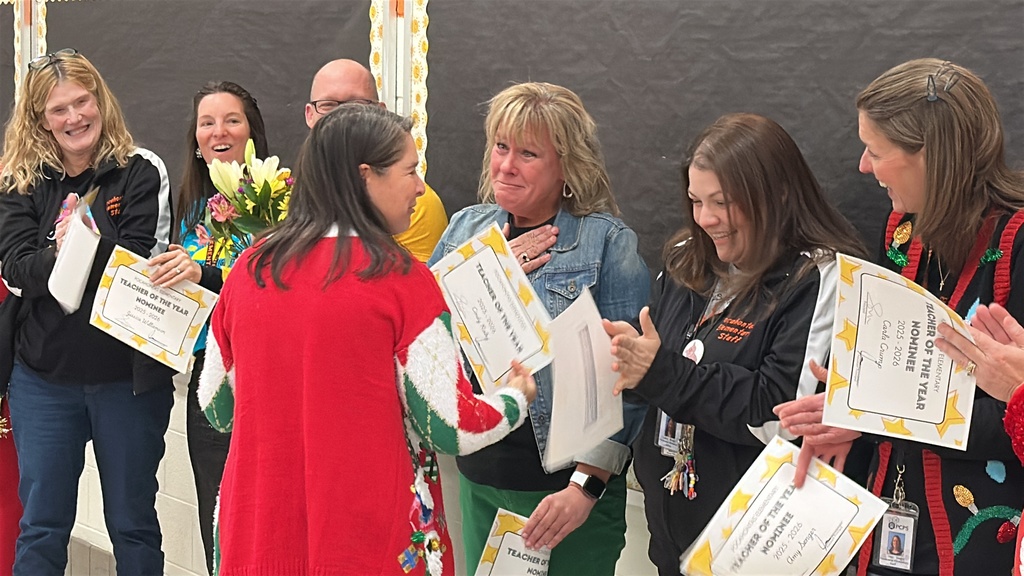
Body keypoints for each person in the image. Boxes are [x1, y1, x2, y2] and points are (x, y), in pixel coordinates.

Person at [197, 103, 536, 576]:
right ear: (364, 177)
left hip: (261, 533)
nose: (420, 187)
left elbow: (216, 405)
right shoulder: (403, 281)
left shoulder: (248, 270)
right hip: (369, 539)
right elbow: (450, 425)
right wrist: (515, 399)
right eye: (410, 171)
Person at [776, 58, 1024, 576]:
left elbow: (1009, 418)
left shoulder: (1017, 246)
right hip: (893, 521)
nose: (864, 166)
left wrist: (874, 418)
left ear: (932, 158)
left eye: (876, 150)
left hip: (984, 541)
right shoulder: (902, 234)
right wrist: (851, 410)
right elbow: (904, 385)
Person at [604, 113, 865, 574]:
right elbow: (661, 371)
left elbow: (779, 418)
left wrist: (658, 372)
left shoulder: (818, 277)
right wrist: (626, 364)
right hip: (671, 534)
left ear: (776, 194)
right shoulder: (686, 258)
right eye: (695, 201)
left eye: (721, 202)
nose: (706, 219)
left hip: (758, 546)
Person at [428, 81, 650, 574]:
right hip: (481, 478)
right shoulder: (467, 229)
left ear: (568, 167)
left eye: (528, 153)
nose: (506, 165)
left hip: (569, 497)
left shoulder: (608, 244)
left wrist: (586, 487)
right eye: (501, 146)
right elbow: (421, 336)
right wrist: (487, 272)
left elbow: (630, 385)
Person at [0, 49, 173, 575]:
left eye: (83, 101)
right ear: (38, 119)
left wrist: (65, 251)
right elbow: (15, 270)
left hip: (127, 381)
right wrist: (64, 255)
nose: (75, 117)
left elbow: (137, 266)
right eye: (58, 109)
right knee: (43, 527)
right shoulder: (18, 180)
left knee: (133, 525)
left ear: (100, 100)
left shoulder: (141, 170)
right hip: (43, 381)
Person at [145, 80, 267, 576]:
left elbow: (267, 287)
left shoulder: (279, 199)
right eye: (207, 122)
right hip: (207, 377)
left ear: (252, 130)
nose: (219, 132)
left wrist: (203, 275)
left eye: (231, 120)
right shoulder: (193, 206)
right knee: (213, 514)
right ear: (195, 139)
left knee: (261, 520)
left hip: (263, 379)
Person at [305, 58, 447, 261]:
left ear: (381, 112)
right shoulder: (287, 191)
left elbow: (416, 282)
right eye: (328, 105)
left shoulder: (415, 203)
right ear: (309, 115)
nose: (341, 117)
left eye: (357, 106)